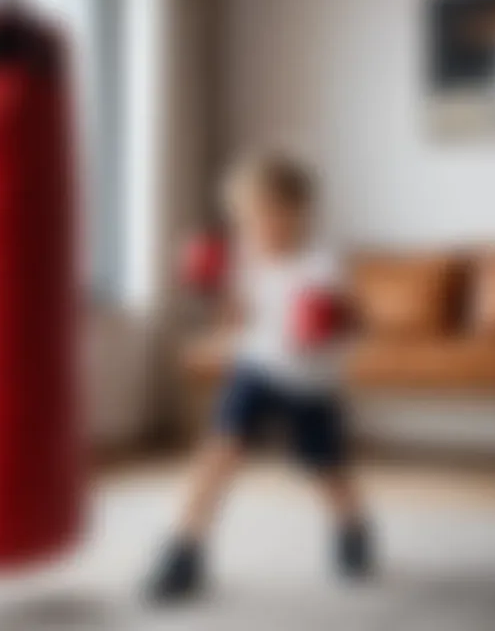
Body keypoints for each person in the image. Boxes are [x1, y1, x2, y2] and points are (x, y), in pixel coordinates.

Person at [147, 151, 373, 602]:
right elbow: (237, 320)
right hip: (256, 371)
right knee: (218, 452)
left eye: (268, 216)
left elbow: (356, 324)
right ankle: (185, 549)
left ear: (298, 213)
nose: (256, 229)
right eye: (246, 219)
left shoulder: (322, 265)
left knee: (325, 469)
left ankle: (351, 528)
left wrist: (337, 320)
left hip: (311, 384)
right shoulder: (245, 259)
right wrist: (216, 293)